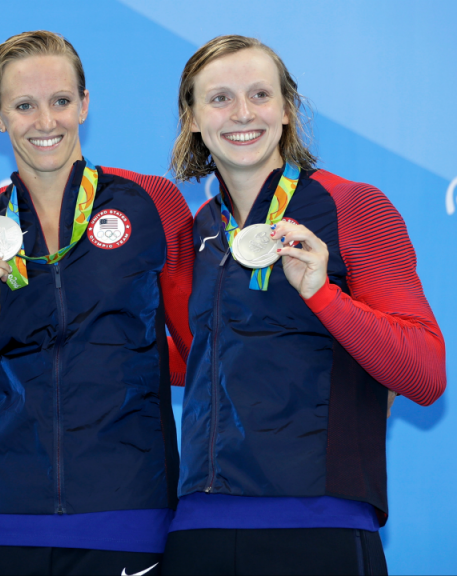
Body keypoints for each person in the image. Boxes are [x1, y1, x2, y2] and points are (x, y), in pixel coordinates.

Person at [162, 35, 447, 576]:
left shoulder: (352, 205)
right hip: (199, 525)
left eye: (260, 95)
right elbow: (194, 360)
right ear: (193, 118)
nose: (242, 114)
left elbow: (425, 373)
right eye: (219, 98)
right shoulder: (199, 231)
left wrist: (321, 294)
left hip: (320, 521)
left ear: (288, 110)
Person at [0, 31, 194, 575]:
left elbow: (205, 351)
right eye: (24, 106)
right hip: (7, 525)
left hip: (130, 518)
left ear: (85, 104)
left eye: (60, 101)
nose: (46, 122)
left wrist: (127, 364)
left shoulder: (152, 203)